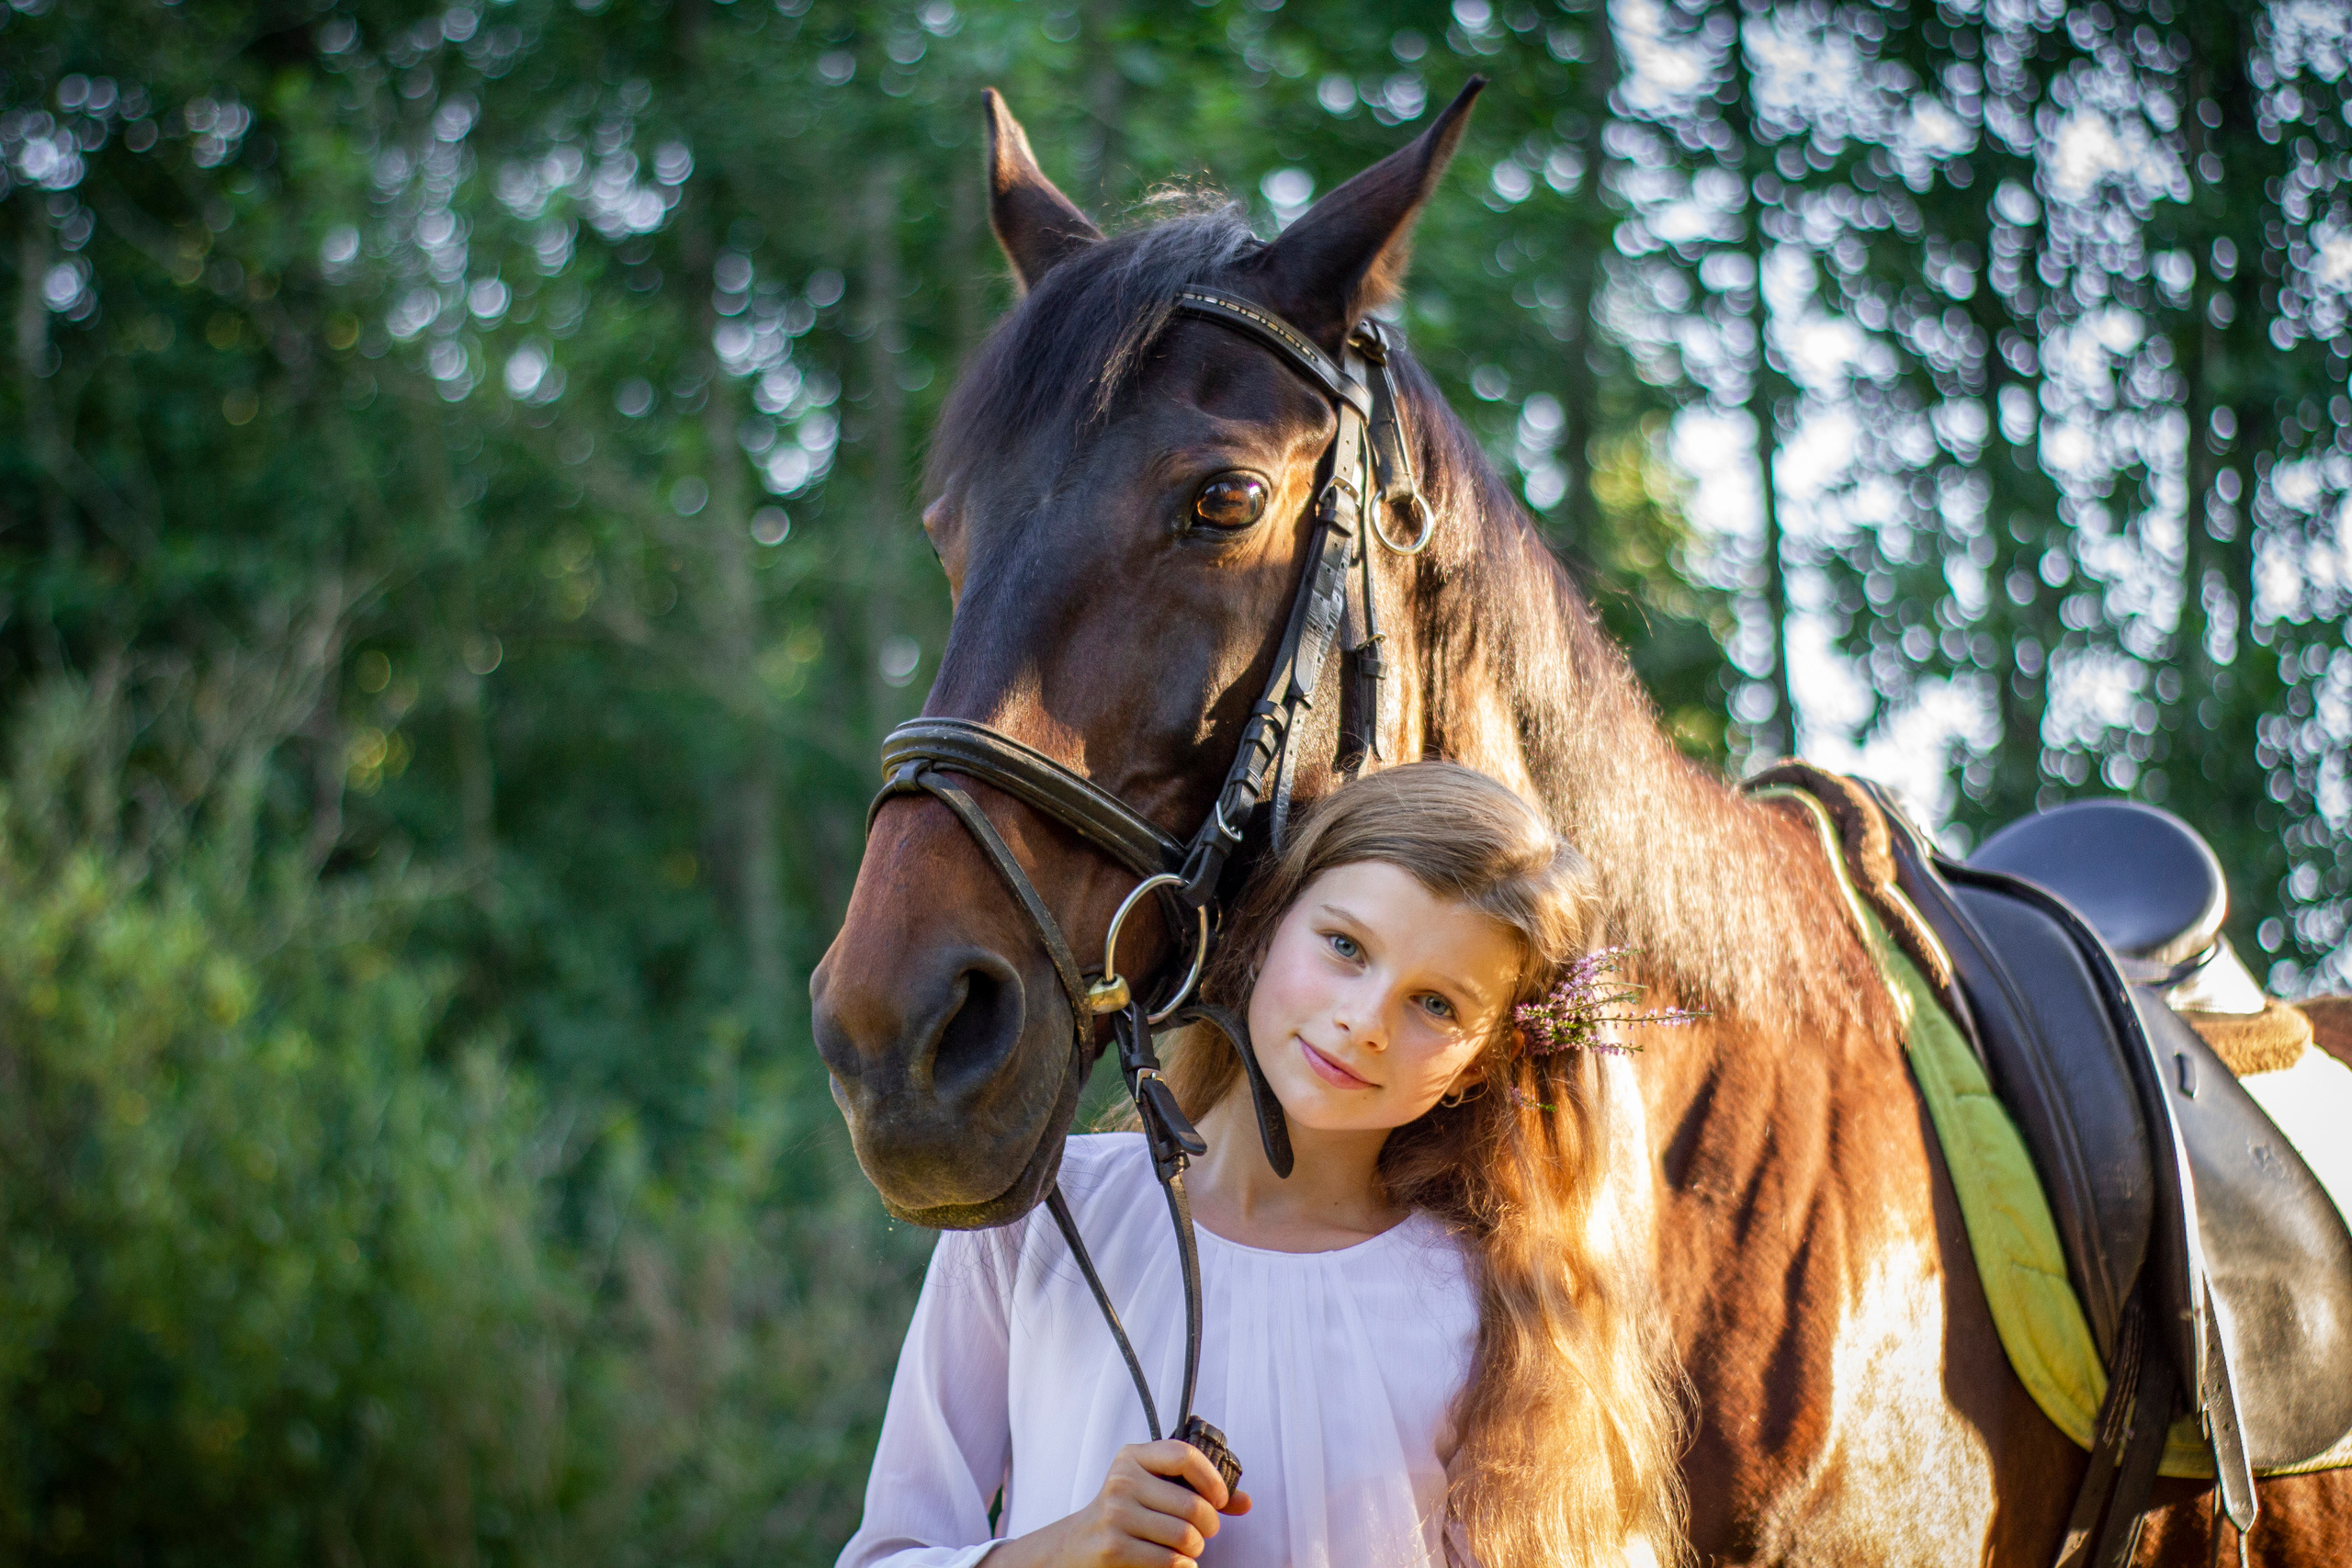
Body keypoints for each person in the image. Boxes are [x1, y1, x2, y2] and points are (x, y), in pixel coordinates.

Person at [837, 761, 1689, 1568]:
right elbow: (888, 1551)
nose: (1364, 1020)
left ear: (1480, 1060)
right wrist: (1068, 1547)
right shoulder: (1044, 1217)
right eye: (1346, 945)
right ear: (1268, 926)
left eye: (1436, 1003)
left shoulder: (1488, 1303)